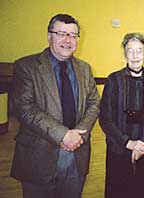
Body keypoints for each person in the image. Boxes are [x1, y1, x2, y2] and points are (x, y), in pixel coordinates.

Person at [10, 14, 100, 198]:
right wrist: (63, 135)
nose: (67, 40)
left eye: (73, 35)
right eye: (61, 33)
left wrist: (78, 134)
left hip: (77, 153)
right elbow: (24, 108)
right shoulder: (26, 66)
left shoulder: (85, 68)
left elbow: (94, 103)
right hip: (39, 156)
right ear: (49, 36)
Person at [99, 32, 144, 198]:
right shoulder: (113, 80)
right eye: (130, 51)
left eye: (139, 51)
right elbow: (105, 118)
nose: (135, 56)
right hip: (118, 149)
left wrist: (143, 143)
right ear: (124, 53)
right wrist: (127, 143)